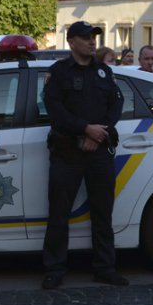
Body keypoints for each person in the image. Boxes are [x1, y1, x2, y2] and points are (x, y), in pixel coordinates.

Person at [42, 21, 126, 290]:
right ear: (71, 42)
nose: (92, 42)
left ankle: (105, 268)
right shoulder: (59, 72)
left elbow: (116, 104)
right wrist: (84, 129)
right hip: (67, 153)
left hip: (98, 152)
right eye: (86, 37)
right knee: (59, 214)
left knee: (103, 213)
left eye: (93, 37)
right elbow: (55, 110)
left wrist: (98, 133)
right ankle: (54, 269)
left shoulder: (104, 71)